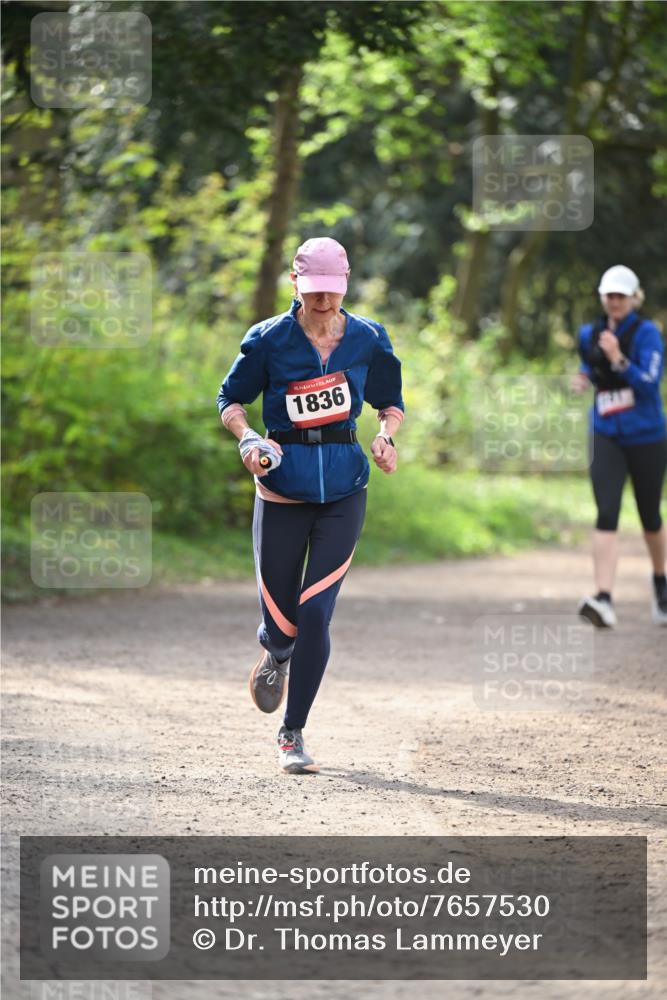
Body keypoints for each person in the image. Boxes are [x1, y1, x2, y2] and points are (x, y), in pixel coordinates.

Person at [216, 237, 404, 772]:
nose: (324, 302)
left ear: (345, 287)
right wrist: (249, 440)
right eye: (314, 291)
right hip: (282, 488)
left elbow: (390, 403)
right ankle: (275, 652)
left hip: (345, 486)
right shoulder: (269, 339)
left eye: (333, 292)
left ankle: (292, 733)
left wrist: (386, 437)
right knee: (283, 626)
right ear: (295, 284)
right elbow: (230, 399)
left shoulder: (367, 338)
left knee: (316, 612)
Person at [572, 264, 667, 628]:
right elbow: (588, 365)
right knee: (606, 511)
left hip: (647, 435)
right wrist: (584, 377)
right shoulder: (589, 333)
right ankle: (604, 599)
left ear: (633, 299)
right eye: (609, 295)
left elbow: (648, 383)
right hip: (606, 433)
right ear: (602, 297)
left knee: (650, 516)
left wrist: (618, 359)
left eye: (620, 296)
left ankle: (660, 583)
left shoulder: (647, 334)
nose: (614, 302)